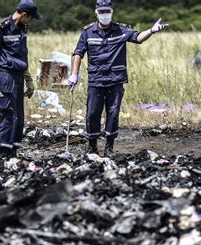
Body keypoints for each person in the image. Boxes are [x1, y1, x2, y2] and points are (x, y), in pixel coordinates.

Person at [68, 0, 168, 158]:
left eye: (107, 11)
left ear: (112, 12)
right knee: (92, 114)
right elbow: (78, 54)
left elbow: (138, 38)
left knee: (113, 113)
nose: (104, 15)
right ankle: (92, 147)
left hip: (115, 80)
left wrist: (151, 31)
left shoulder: (121, 30)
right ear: (96, 13)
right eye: (101, 12)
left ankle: (109, 147)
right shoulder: (87, 32)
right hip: (96, 80)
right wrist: (74, 74)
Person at [0, 0, 42, 157]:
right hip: (7, 76)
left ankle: (13, 150)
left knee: (19, 116)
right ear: (24, 15)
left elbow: (22, 55)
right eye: (31, 18)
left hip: (20, 76)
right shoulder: (1, 28)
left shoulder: (23, 28)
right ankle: (4, 151)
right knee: (8, 113)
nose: (32, 21)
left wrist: (28, 79)